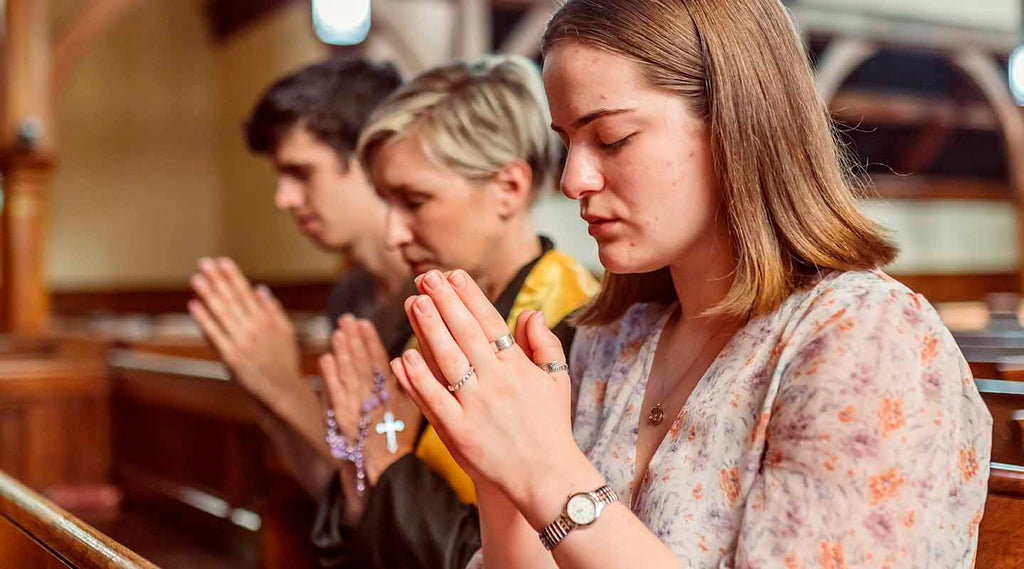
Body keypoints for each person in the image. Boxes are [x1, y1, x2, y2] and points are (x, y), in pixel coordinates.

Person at [394, 1, 993, 567]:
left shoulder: (868, 340)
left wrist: (545, 473)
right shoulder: (610, 339)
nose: (573, 179)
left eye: (611, 139)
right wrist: (499, 477)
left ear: (737, 126)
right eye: (566, 141)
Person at [311, 54, 600, 568]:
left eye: (415, 201)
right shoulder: (409, 314)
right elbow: (354, 505)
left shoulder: (576, 329)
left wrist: (383, 462)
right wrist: (364, 472)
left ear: (508, 188)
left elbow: (518, 552)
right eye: (386, 203)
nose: (393, 234)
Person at [187, 56, 409, 498]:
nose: (283, 198)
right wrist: (258, 381)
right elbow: (335, 487)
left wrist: (283, 384)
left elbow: (399, 498)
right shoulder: (351, 293)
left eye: (300, 173)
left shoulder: (440, 292)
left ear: (371, 158)